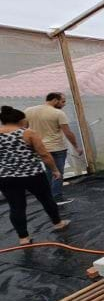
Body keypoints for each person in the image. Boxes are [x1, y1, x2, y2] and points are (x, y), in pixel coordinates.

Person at [0, 106, 70, 245]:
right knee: (46, 199)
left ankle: (23, 238)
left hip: (6, 177)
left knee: (16, 207)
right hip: (32, 174)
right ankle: (58, 223)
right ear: (20, 120)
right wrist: (55, 170)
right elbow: (44, 154)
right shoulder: (28, 133)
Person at [24, 92, 83, 205]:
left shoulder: (29, 111)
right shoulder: (58, 113)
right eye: (63, 101)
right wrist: (76, 146)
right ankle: (56, 197)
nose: (64, 104)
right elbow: (68, 132)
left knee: (49, 171)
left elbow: (24, 129)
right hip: (56, 148)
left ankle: (46, 195)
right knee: (58, 172)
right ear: (55, 100)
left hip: (39, 147)